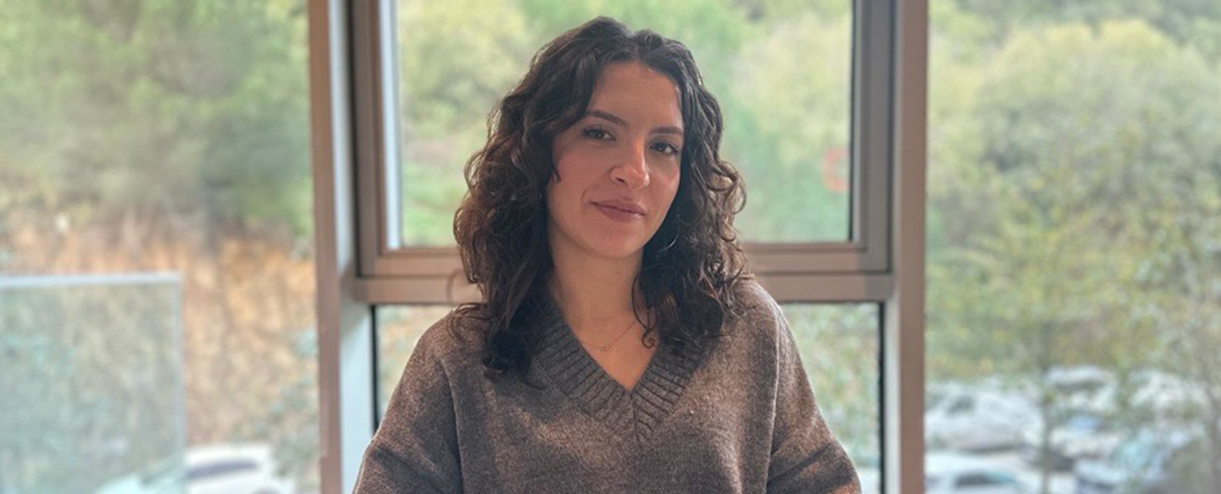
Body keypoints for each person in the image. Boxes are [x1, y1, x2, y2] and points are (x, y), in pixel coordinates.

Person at [353, 16, 861, 493]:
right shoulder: (456, 362)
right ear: (535, 151)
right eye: (599, 133)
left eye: (664, 146)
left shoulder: (747, 329)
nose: (635, 171)